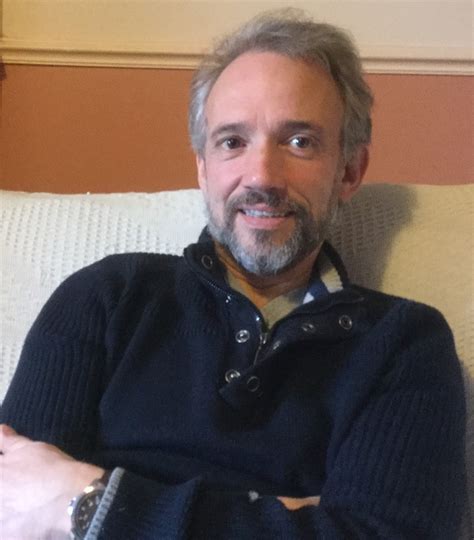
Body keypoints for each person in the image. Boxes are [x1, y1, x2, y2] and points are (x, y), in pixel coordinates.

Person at [0, 9, 466, 540]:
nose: (262, 176)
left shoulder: (404, 343)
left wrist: (92, 503)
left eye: (299, 142)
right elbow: (13, 507)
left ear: (349, 170)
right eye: (231, 142)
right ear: (202, 168)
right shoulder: (107, 296)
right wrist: (291, 517)